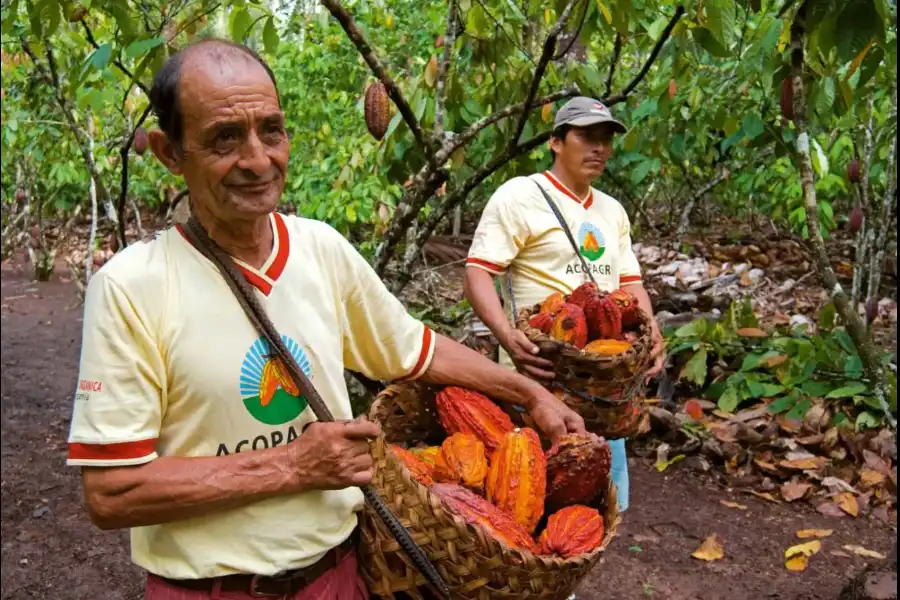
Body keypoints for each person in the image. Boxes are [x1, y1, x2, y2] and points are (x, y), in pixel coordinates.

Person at [65, 38, 586, 600]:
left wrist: (528, 392)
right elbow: (111, 492)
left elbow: (414, 348)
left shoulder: (321, 250)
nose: (258, 159)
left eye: (272, 130)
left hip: (339, 578)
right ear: (170, 152)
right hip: (211, 589)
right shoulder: (132, 286)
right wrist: (293, 464)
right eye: (224, 138)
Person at [463, 96, 666, 514]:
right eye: (586, 136)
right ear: (556, 142)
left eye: (606, 138)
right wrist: (508, 335)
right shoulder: (521, 196)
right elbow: (477, 273)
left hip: (600, 382)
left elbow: (630, 285)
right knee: (530, 499)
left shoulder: (612, 211)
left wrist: (653, 333)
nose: (599, 148)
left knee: (598, 506)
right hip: (542, 374)